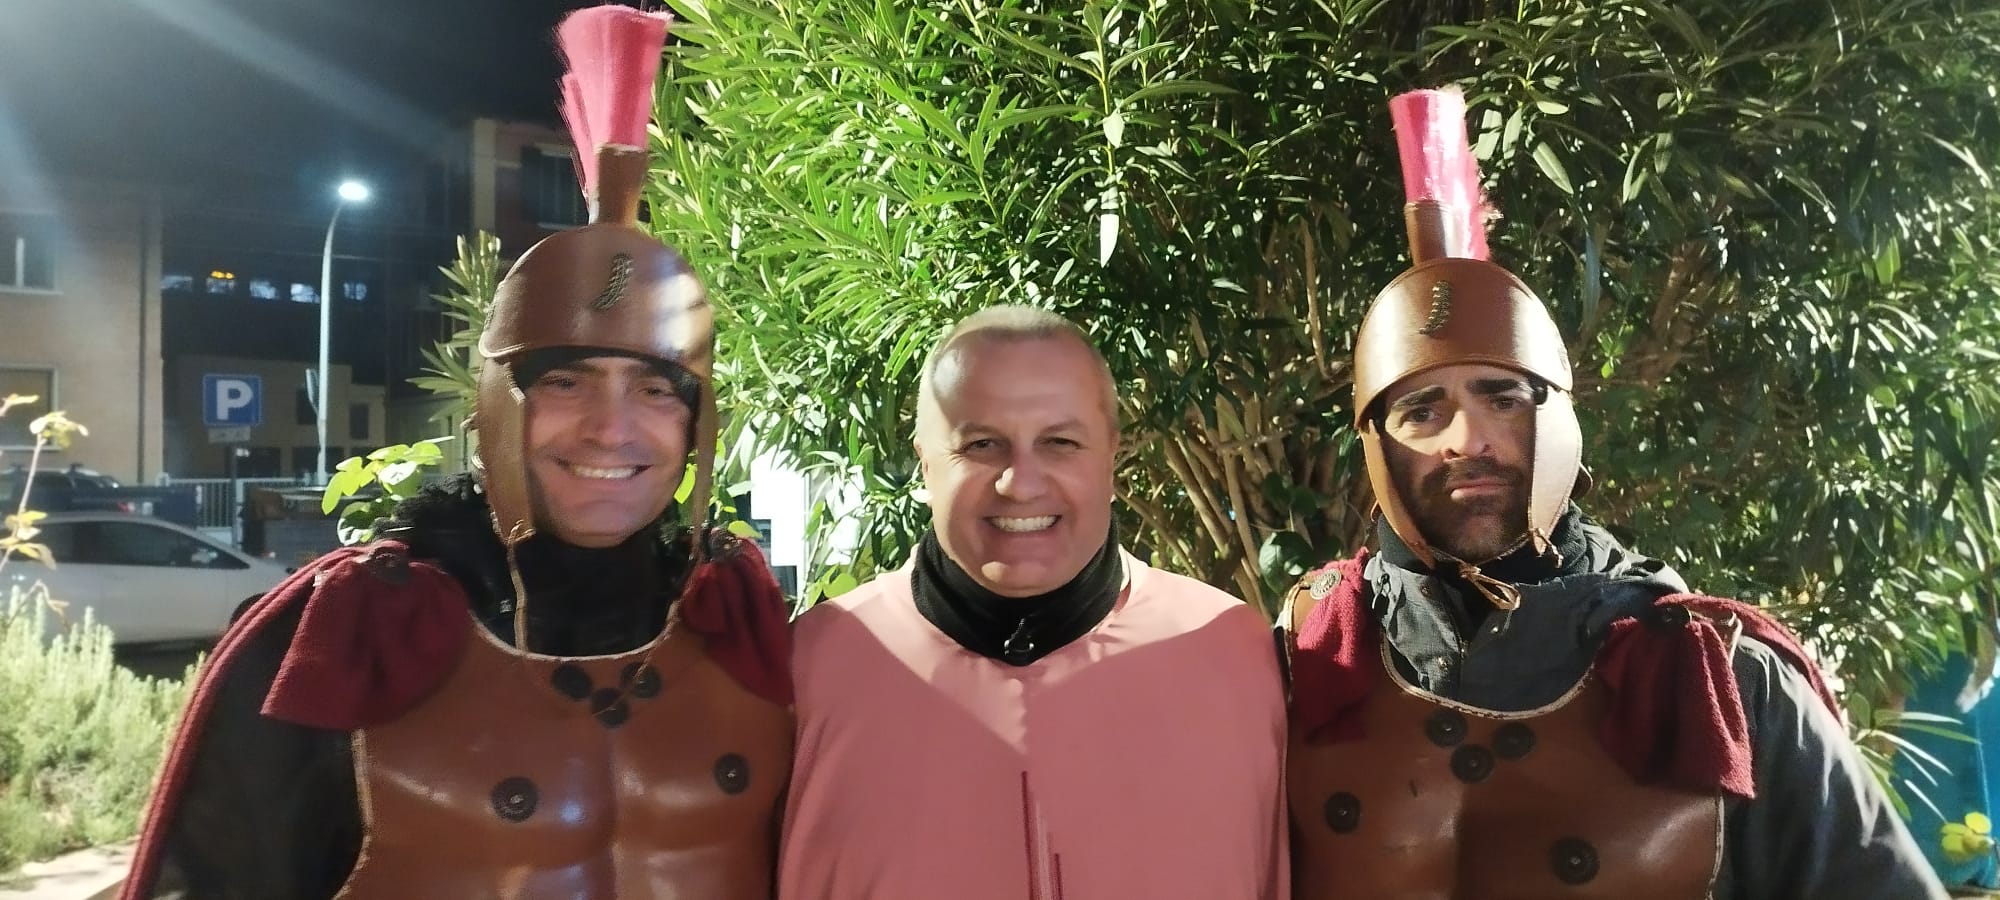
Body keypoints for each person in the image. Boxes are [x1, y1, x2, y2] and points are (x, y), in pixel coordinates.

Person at [120, 8, 792, 898]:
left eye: (657, 390)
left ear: (697, 424)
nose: (611, 428)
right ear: (494, 407)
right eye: (565, 382)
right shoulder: (357, 632)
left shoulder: (737, 624)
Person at [1279, 87, 1945, 899]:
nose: (1467, 439)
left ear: (1557, 419)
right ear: (1377, 444)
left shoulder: (1719, 681)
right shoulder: (1311, 660)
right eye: (1423, 410)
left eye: (1502, 397)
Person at [778, 306, 1288, 900]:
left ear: (1111, 456)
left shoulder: (1232, 655)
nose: (1020, 484)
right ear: (924, 462)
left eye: (1060, 443)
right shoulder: (809, 670)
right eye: (981, 445)